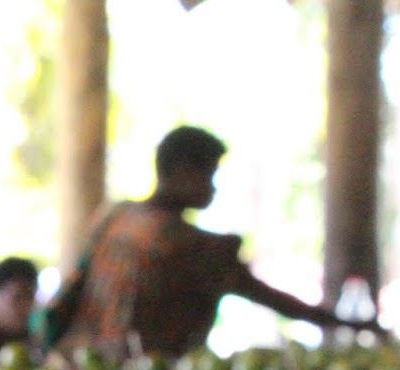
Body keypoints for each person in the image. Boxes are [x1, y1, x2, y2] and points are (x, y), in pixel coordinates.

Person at [48, 126, 382, 357]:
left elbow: (72, 288)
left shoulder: (115, 216)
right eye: (209, 175)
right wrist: (338, 322)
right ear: (182, 172)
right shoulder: (194, 247)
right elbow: (269, 298)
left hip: (79, 366)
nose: (213, 189)